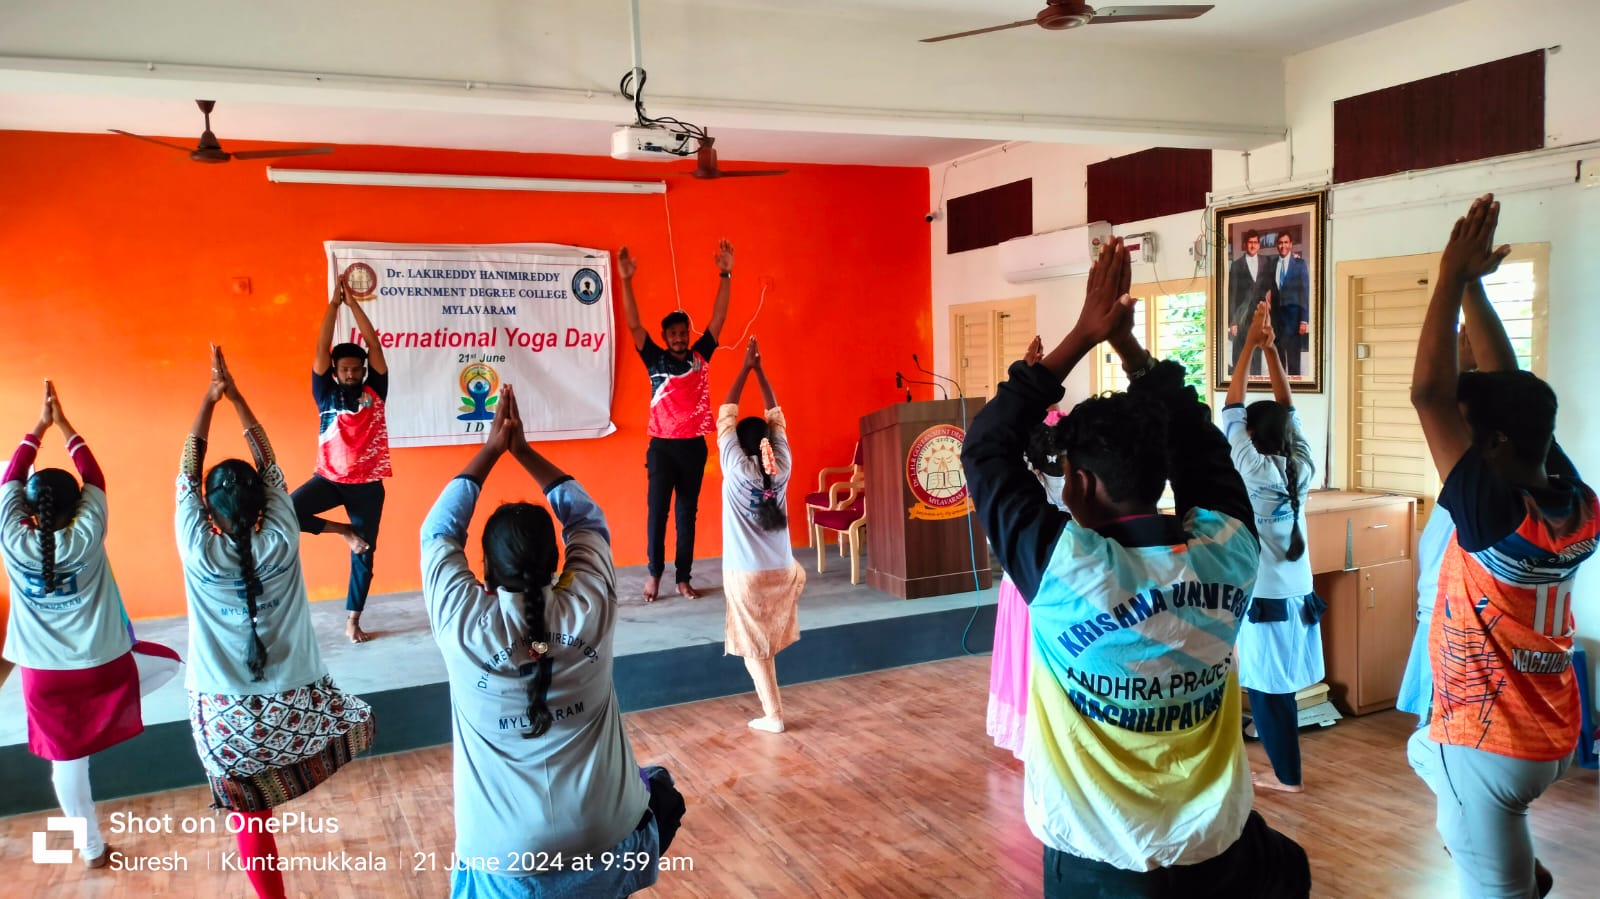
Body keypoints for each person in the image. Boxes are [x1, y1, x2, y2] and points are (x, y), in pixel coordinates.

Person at [964, 238, 1309, 896]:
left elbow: (981, 449)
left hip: (1099, 861)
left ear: (1082, 483)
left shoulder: (1068, 571)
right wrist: (1122, 345)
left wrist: (1084, 336)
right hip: (1218, 854)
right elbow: (1198, 441)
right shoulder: (1230, 549)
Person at [421, 384, 685, 898]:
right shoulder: (590, 603)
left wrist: (493, 449)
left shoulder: (463, 623)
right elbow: (586, 518)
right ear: (558, 561)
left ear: (486, 573)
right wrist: (524, 452)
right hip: (609, 846)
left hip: (506, 863)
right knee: (661, 789)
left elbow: (437, 532)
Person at [1407, 194, 1592, 899]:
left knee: (1490, 878)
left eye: (1469, 426)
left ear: (1492, 445)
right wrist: (1478, 287)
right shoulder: (1574, 501)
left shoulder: (1492, 518)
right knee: (1421, 747)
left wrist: (1451, 275)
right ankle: (1499, 854)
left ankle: (1502, 870)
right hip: (1552, 729)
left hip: (1488, 748)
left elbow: (1428, 393)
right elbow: (1508, 387)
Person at [179, 346, 376, 899]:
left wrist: (209, 398)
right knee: (360, 719)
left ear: (205, 511)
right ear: (265, 506)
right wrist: (236, 398)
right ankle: (294, 773)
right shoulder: (283, 532)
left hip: (226, 727)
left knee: (249, 810)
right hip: (302, 715)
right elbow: (268, 467)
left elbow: (186, 469)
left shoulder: (195, 546)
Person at [2, 382, 178, 869]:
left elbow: (10, 481)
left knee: (68, 763)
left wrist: (34, 429)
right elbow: (94, 475)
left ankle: (92, 849)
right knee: (170, 664)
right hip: (101, 668)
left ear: (31, 516)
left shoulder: (13, 541)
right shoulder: (88, 533)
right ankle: (104, 721)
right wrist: (60, 425)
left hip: (44, 678)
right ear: (78, 507)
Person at [1222, 302, 1324, 794]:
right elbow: (1286, 411)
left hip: (1267, 596)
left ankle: (1287, 777)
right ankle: (1286, 770)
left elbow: (1231, 407)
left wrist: (1248, 349)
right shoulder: (1300, 464)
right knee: (1273, 687)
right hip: (1296, 591)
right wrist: (1271, 352)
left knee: (1269, 691)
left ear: (1253, 437)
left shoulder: (1252, 467)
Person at [618, 240, 735, 602]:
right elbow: (634, 323)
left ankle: (683, 578)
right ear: (666, 337)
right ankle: (654, 576)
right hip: (662, 449)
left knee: (687, 515)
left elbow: (719, 317)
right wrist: (626, 280)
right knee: (658, 513)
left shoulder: (701, 356)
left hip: (693, 449)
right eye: (674, 334)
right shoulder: (653, 358)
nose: (680, 338)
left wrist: (726, 273)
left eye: (684, 333)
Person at [292, 275, 391, 643]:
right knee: (288, 511)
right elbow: (321, 346)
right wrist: (333, 306)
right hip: (329, 479)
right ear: (334, 372)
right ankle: (344, 532)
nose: (351, 374)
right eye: (345, 369)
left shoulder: (375, 391)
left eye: (356, 369)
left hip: (367, 487)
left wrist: (353, 305)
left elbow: (374, 344)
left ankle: (353, 620)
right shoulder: (324, 392)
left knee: (365, 555)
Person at [717, 337, 806, 734]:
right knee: (793, 581)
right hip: (783, 570)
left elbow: (724, 414)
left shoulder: (735, 467)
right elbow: (777, 416)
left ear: (739, 443)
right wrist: (759, 370)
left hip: (748, 575)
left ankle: (773, 715)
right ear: (769, 442)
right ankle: (772, 710)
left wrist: (745, 368)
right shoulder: (781, 466)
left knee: (756, 649)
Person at [987, 335, 1065, 759]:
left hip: (1024, 579)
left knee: (1024, 656)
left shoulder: (1024, 483)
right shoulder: (1078, 481)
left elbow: (995, 447)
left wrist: (1023, 375)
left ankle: (1027, 727)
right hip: (1064, 575)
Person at [1396, 330, 1478, 724]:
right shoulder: (1467, 486)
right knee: (1435, 727)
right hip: (1438, 610)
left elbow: (1430, 399)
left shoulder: (1477, 488)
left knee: (1442, 727)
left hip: (1450, 614)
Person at [1228, 230, 1273, 377]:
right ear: (1245, 245)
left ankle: (1255, 378)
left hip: (1259, 313)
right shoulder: (1236, 265)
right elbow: (1232, 293)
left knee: (1257, 347)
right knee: (1240, 349)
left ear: (1259, 245)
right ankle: (1239, 378)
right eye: (1250, 242)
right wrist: (1232, 322)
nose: (1253, 246)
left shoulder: (1267, 262)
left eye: (1255, 242)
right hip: (1241, 314)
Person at [1269, 234, 1310, 376]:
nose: (1283, 246)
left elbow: (1305, 292)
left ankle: (1295, 393)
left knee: (1294, 363)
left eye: (1286, 242)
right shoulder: (1272, 264)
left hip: (1293, 321)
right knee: (1278, 363)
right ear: (1276, 245)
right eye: (1280, 243)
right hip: (1276, 321)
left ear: (1291, 244)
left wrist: (1304, 320)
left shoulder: (1300, 264)